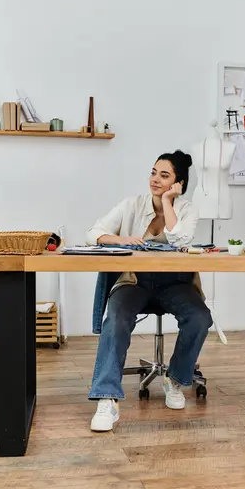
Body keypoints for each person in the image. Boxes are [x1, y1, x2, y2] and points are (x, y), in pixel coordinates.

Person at [86, 150, 213, 431]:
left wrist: (168, 202)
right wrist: (123, 239)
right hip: (134, 280)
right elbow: (94, 232)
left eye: (164, 175)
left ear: (178, 183)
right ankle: (107, 398)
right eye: (153, 172)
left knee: (200, 317)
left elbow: (180, 237)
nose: (155, 179)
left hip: (175, 282)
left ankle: (176, 380)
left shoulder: (187, 209)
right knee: (116, 319)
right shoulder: (132, 204)